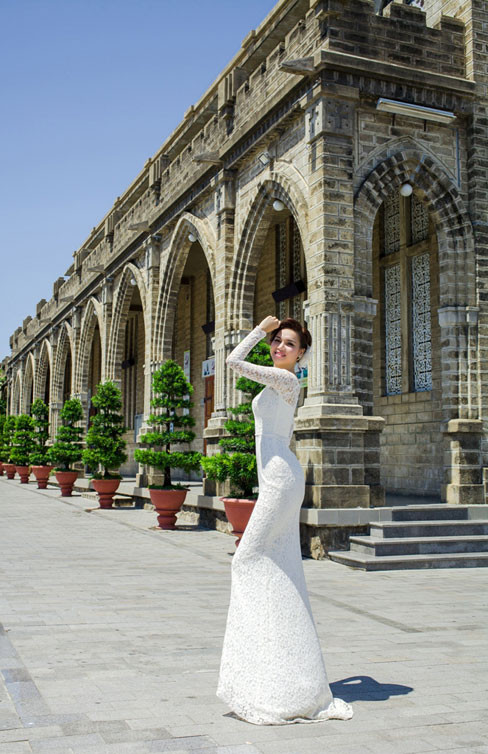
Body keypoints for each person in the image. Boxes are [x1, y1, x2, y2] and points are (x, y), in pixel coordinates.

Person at [216, 315, 353, 725]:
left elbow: (233, 362)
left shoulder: (287, 381)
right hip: (274, 478)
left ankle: (274, 669)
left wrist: (258, 330)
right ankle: (280, 672)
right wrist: (265, 334)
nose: (279, 347)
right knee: (276, 567)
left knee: (246, 561)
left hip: (280, 480)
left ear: (302, 353)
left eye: (288, 343)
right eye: (276, 340)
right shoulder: (278, 379)